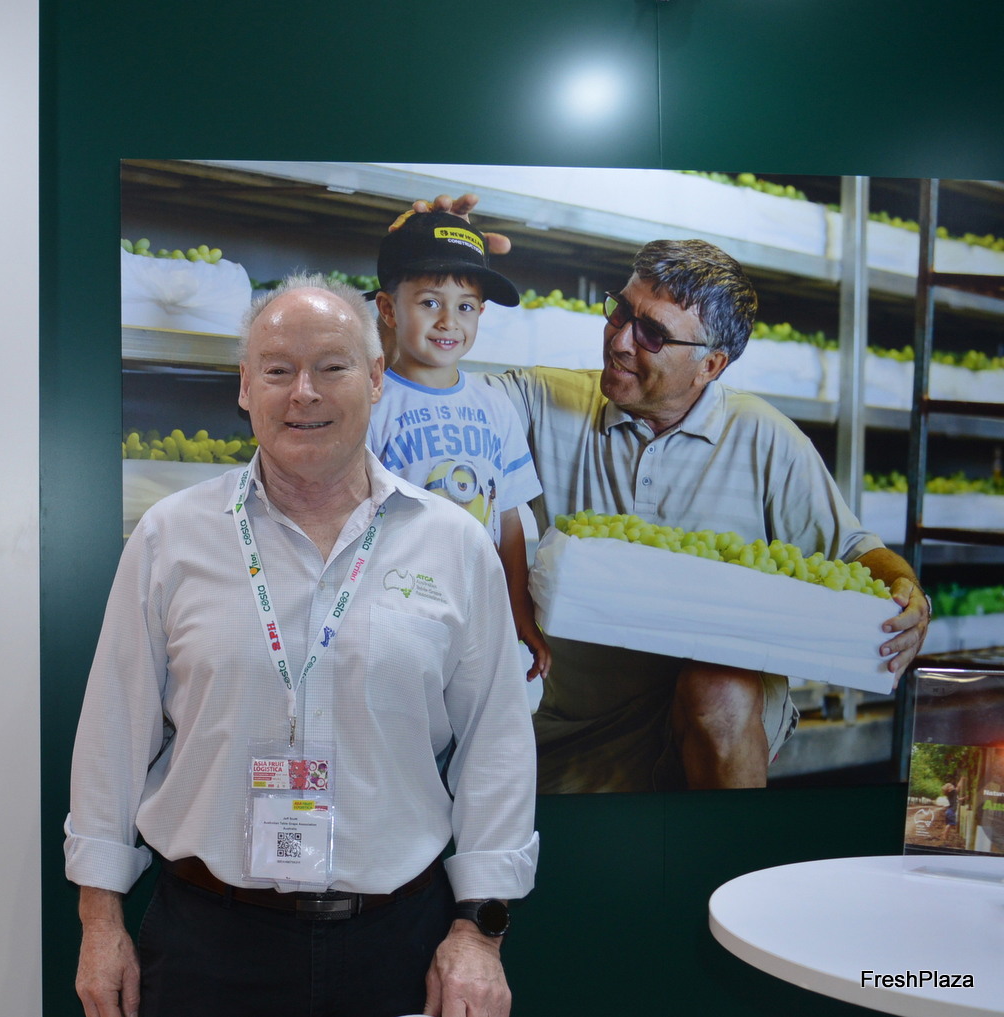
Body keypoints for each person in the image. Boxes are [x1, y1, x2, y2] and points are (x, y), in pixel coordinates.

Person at [64, 272, 539, 1017]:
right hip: (207, 944)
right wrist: (99, 921)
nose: (304, 393)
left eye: (331, 367)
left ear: (375, 378)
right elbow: (112, 733)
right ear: (245, 386)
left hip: (397, 945)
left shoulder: (454, 545)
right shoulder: (171, 537)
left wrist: (480, 932)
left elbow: (497, 744)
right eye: (279, 370)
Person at [473, 232, 932, 793]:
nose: (620, 340)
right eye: (620, 311)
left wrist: (909, 594)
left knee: (719, 688)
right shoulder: (541, 401)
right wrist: (426, 267)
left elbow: (855, 552)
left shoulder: (764, 438)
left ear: (710, 364)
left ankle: (730, 849)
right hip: (573, 719)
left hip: (719, 712)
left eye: (653, 333)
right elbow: (433, 396)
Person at [367, 210, 550, 680]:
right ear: (388, 310)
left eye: (466, 307)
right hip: (394, 610)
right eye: (430, 302)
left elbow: (508, 520)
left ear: (481, 313)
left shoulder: (495, 406)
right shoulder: (369, 404)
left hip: (479, 610)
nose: (449, 321)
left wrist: (519, 610)